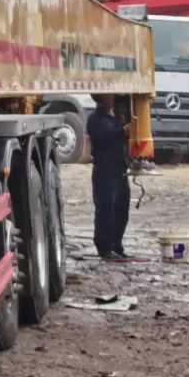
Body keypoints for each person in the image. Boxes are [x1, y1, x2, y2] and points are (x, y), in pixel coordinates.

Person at [86, 94, 131, 260]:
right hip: (105, 170)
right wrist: (126, 129)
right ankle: (105, 247)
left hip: (120, 169)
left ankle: (117, 245)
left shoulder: (117, 116)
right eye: (109, 96)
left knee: (121, 210)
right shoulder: (95, 119)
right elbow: (110, 135)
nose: (114, 98)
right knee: (106, 210)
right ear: (102, 98)